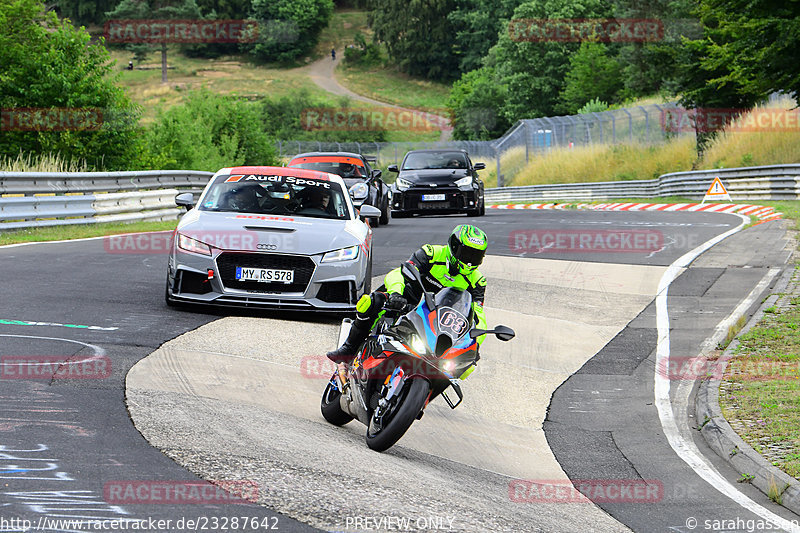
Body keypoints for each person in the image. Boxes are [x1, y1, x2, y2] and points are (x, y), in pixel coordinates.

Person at [327, 224, 489, 364]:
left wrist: (475, 343)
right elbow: (400, 273)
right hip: (407, 303)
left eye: (475, 256)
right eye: (467, 254)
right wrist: (396, 293)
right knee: (372, 302)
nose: (469, 261)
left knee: (460, 362)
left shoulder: (477, 281)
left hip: (439, 321)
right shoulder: (431, 253)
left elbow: (478, 316)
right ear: (454, 246)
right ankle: (348, 349)